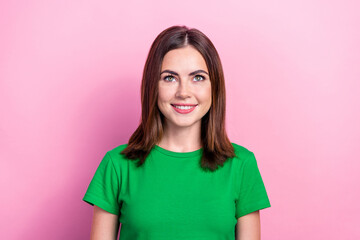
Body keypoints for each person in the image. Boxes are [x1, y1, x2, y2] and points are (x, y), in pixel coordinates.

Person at [83, 25, 271, 240]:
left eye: (198, 77)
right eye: (170, 78)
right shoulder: (117, 164)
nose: (183, 92)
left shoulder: (241, 165)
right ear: (153, 85)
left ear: (214, 86)